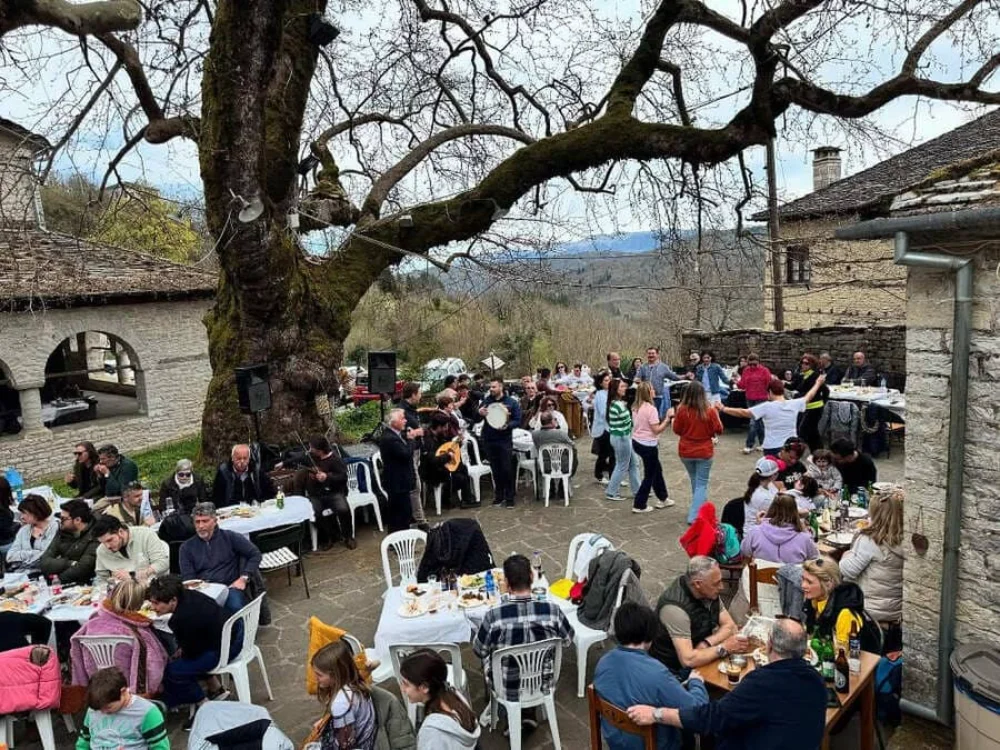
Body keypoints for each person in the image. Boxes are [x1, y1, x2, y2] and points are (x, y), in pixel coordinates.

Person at [629, 619, 827, 750]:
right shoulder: (817, 681)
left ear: (769, 645)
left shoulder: (762, 684)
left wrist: (657, 714)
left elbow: (710, 718)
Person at [472, 554, 574, 732]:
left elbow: (479, 650)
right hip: (543, 681)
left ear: (506, 584)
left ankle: (509, 715)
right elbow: (568, 639)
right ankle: (527, 713)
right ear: (532, 577)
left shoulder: (493, 615)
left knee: (490, 656)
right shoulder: (552, 610)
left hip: (507, 686)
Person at [593, 602, 708, 750]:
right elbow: (698, 712)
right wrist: (696, 683)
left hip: (616, 740)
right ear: (650, 635)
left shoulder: (603, 662)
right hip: (653, 744)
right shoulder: (657, 673)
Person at [649, 556, 747, 678]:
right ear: (698, 584)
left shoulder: (709, 591)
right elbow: (687, 660)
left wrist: (707, 643)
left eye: (720, 581)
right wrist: (724, 647)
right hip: (672, 672)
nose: (721, 587)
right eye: (716, 583)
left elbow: (730, 626)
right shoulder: (675, 609)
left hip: (700, 657)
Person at [146, 575, 231, 714]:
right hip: (228, 637)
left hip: (222, 649)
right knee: (182, 660)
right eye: (152, 602)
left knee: (172, 672)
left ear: (173, 600)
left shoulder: (180, 619)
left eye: (156, 603)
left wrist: (181, 652)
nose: (153, 607)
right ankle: (216, 689)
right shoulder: (191, 595)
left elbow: (192, 653)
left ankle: (203, 704)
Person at [70, 579, 169, 695]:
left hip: (96, 677)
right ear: (138, 603)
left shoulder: (91, 624)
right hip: (128, 681)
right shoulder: (139, 633)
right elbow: (154, 665)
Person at [179, 502, 262, 614]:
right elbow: (188, 577)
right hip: (203, 590)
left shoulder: (229, 537)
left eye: (205, 521)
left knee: (235, 607)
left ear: (215, 521)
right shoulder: (186, 547)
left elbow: (255, 554)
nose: (201, 526)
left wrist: (244, 577)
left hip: (230, 587)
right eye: (197, 522)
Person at [717, 373, 827, 457]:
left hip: (773, 447)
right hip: (792, 446)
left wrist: (723, 408)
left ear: (769, 392)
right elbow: (809, 396)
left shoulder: (766, 407)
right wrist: (818, 383)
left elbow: (743, 412)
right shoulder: (794, 404)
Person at [839, 490, 904, 627]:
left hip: (869, 611)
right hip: (896, 609)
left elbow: (849, 571)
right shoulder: (904, 540)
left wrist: (847, 555)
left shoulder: (870, 540)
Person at [399, 649, 481, 750]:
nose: (402, 689)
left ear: (424, 687)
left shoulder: (431, 733)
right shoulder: (456, 697)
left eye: (406, 684)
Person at [77, 666, 169, 750]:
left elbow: (160, 747)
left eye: (108, 707)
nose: (103, 712)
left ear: (123, 692)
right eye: (98, 709)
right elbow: (83, 742)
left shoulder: (147, 713)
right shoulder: (95, 708)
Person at [671, 381, 724, 524]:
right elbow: (719, 430)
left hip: (685, 450)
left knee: (695, 481)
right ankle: (694, 516)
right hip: (704, 451)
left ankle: (700, 508)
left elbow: (677, 430)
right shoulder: (709, 411)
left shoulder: (681, 410)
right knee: (701, 483)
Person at [310, 639, 377, 750]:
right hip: (367, 736)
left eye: (319, 675)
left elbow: (345, 745)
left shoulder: (341, 703)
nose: (315, 678)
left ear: (335, 675)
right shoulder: (354, 681)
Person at [293, 435, 355, 550]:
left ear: (320, 451)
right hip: (316, 494)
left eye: (312, 448)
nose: (310, 450)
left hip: (334, 492)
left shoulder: (335, 460)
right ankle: (329, 537)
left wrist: (327, 476)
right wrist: (283, 463)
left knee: (343, 509)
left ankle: (348, 537)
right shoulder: (312, 457)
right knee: (314, 512)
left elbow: (343, 477)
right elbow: (297, 459)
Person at [477, 378, 521, 508]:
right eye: (490, 387)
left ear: (501, 387)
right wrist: (479, 412)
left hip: (504, 439)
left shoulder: (511, 402)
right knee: (495, 469)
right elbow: (477, 417)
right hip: (489, 438)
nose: (491, 389)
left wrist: (507, 425)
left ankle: (510, 497)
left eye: (494, 387)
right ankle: (499, 495)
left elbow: (518, 420)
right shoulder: (486, 401)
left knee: (506, 468)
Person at [801, 557, 865, 646]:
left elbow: (843, 650)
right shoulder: (813, 600)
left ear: (829, 583)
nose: (803, 585)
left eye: (809, 582)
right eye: (803, 579)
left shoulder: (845, 614)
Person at [631, 381, 673, 513]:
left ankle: (663, 497)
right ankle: (639, 504)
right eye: (652, 389)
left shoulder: (635, 407)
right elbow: (656, 430)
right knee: (649, 474)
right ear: (648, 393)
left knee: (656, 470)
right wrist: (667, 419)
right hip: (648, 445)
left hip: (637, 441)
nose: (654, 391)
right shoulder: (651, 409)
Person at [740, 494, 819, 564]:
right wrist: (804, 530)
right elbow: (814, 558)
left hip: (759, 576)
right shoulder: (804, 538)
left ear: (771, 508)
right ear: (795, 511)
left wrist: (760, 525)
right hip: (792, 576)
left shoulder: (755, 532)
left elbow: (745, 552)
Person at [421, 412, 476, 509]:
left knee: (462, 467)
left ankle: (466, 499)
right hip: (432, 471)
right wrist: (448, 456)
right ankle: (448, 500)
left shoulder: (440, 435)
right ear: (438, 427)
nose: (447, 428)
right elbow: (433, 460)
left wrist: (459, 442)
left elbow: (448, 447)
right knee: (460, 478)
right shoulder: (427, 439)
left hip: (442, 466)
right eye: (445, 426)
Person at [93, 514, 170, 583]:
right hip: (123, 590)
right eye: (103, 542)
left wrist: (134, 576)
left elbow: (162, 563)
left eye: (109, 540)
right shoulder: (101, 550)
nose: (107, 546)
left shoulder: (145, 534)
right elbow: (101, 577)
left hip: (152, 585)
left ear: (120, 532)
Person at [39, 499, 99, 584]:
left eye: (63, 519)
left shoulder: (95, 534)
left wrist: (57, 581)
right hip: (64, 581)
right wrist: (68, 563)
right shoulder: (63, 532)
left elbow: (83, 568)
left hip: (85, 583)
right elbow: (44, 562)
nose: (60, 521)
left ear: (77, 520)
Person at [380, 408, 417, 531]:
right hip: (396, 481)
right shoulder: (390, 438)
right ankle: (399, 537)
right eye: (402, 418)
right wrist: (411, 439)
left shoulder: (396, 434)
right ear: (393, 422)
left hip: (401, 480)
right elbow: (406, 454)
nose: (405, 420)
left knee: (404, 512)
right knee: (400, 514)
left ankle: (401, 534)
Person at [605, 378, 641, 503]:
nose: (624, 388)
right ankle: (611, 491)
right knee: (622, 465)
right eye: (622, 387)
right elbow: (629, 422)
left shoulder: (616, 403)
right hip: (622, 437)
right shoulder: (618, 405)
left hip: (622, 436)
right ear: (616, 389)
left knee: (634, 463)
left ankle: (638, 490)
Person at [400, 382, 430, 533]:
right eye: (419, 393)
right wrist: (415, 433)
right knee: (415, 486)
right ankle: (421, 520)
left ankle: (413, 515)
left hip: (416, 451)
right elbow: (400, 432)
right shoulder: (402, 411)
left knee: (414, 485)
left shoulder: (412, 409)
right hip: (409, 452)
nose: (420, 396)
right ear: (412, 394)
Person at [5, 494, 59, 571]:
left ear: (35, 512)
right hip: (24, 572)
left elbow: (49, 556)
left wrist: (22, 554)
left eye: (24, 513)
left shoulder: (55, 528)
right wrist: (34, 553)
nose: (21, 517)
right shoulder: (24, 530)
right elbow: (10, 556)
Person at [790, 354, 828, 451]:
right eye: (802, 363)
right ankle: (817, 451)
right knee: (812, 431)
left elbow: (826, 390)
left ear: (812, 365)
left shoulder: (815, 376)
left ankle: (811, 451)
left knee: (804, 430)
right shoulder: (801, 375)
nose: (803, 365)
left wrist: (822, 402)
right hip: (805, 407)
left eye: (806, 363)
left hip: (815, 407)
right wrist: (783, 383)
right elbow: (793, 386)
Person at [735, 353, 772, 454]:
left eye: (754, 364)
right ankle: (763, 443)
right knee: (759, 422)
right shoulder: (746, 370)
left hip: (761, 399)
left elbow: (769, 384)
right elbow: (742, 384)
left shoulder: (765, 371)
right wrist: (736, 382)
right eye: (750, 364)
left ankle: (749, 445)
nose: (752, 366)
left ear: (759, 362)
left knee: (753, 422)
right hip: (750, 398)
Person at [636, 346, 681, 419]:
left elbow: (674, 377)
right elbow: (637, 378)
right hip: (644, 397)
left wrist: (686, 376)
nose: (651, 355)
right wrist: (637, 380)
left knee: (655, 416)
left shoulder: (663, 367)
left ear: (657, 354)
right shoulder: (643, 367)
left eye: (653, 353)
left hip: (657, 397)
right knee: (645, 416)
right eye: (649, 353)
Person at [532, 411, 579, 476]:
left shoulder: (534, 434)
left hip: (544, 466)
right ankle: (568, 476)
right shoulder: (560, 433)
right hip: (562, 466)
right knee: (573, 451)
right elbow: (572, 445)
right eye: (554, 419)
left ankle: (550, 481)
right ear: (552, 421)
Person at [742, 458, 779, 538]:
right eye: (777, 473)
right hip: (755, 535)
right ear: (772, 476)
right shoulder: (763, 497)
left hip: (762, 529)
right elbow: (776, 513)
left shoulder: (768, 484)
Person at [589, 370, 616, 484]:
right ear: (600, 383)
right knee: (604, 454)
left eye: (609, 380)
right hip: (603, 428)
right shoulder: (600, 395)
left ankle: (614, 476)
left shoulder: (611, 393)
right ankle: (599, 475)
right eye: (606, 380)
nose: (608, 382)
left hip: (611, 426)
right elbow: (603, 413)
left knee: (613, 453)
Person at [0, 477, 18, 555]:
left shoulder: (2, 504)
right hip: (5, 544)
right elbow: (6, 532)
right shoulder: (1, 512)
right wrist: (19, 525)